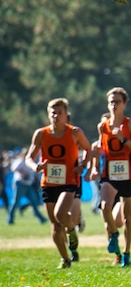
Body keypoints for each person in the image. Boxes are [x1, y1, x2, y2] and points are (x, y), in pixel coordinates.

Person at [25, 98, 92, 268]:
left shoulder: (75, 132)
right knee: (55, 226)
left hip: (69, 181)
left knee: (60, 214)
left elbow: (88, 149)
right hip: (48, 182)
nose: (56, 116)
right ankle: (65, 259)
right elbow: (28, 158)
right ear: (48, 114)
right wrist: (36, 166)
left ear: (65, 115)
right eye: (53, 112)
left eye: (59, 113)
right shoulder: (41, 134)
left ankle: (71, 229)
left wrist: (83, 165)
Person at [91, 87, 131, 267]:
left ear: (124, 104)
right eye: (111, 102)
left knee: (127, 217)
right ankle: (114, 235)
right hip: (109, 175)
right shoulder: (102, 126)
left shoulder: (130, 124)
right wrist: (95, 165)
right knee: (105, 207)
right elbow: (101, 149)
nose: (114, 105)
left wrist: (123, 139)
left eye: (117, 102)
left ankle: (126, 252)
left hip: (128, 176)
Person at [7, 148, 47, 225]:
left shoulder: (32, 162)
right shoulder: (21, 162)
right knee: (15, 202)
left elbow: (34, 173)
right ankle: (10, 219)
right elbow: (14, 169)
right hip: (20, 184)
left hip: (28, 184)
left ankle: (41, 219)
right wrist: (23, 172)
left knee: (34, 201)